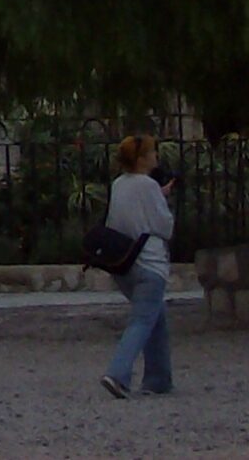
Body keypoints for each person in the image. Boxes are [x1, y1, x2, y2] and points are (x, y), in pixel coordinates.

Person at [101, 133, 178, 398]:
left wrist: (157, 195)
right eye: (153, 152)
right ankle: (118, 374)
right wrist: (161, 198)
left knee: (156, 318)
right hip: (150, 264)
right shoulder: (148, 185)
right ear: (143, 158)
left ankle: (158, 379)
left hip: (124, 264)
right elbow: (164, 226)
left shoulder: (118, 184)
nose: (156, 156)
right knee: (143, 321)